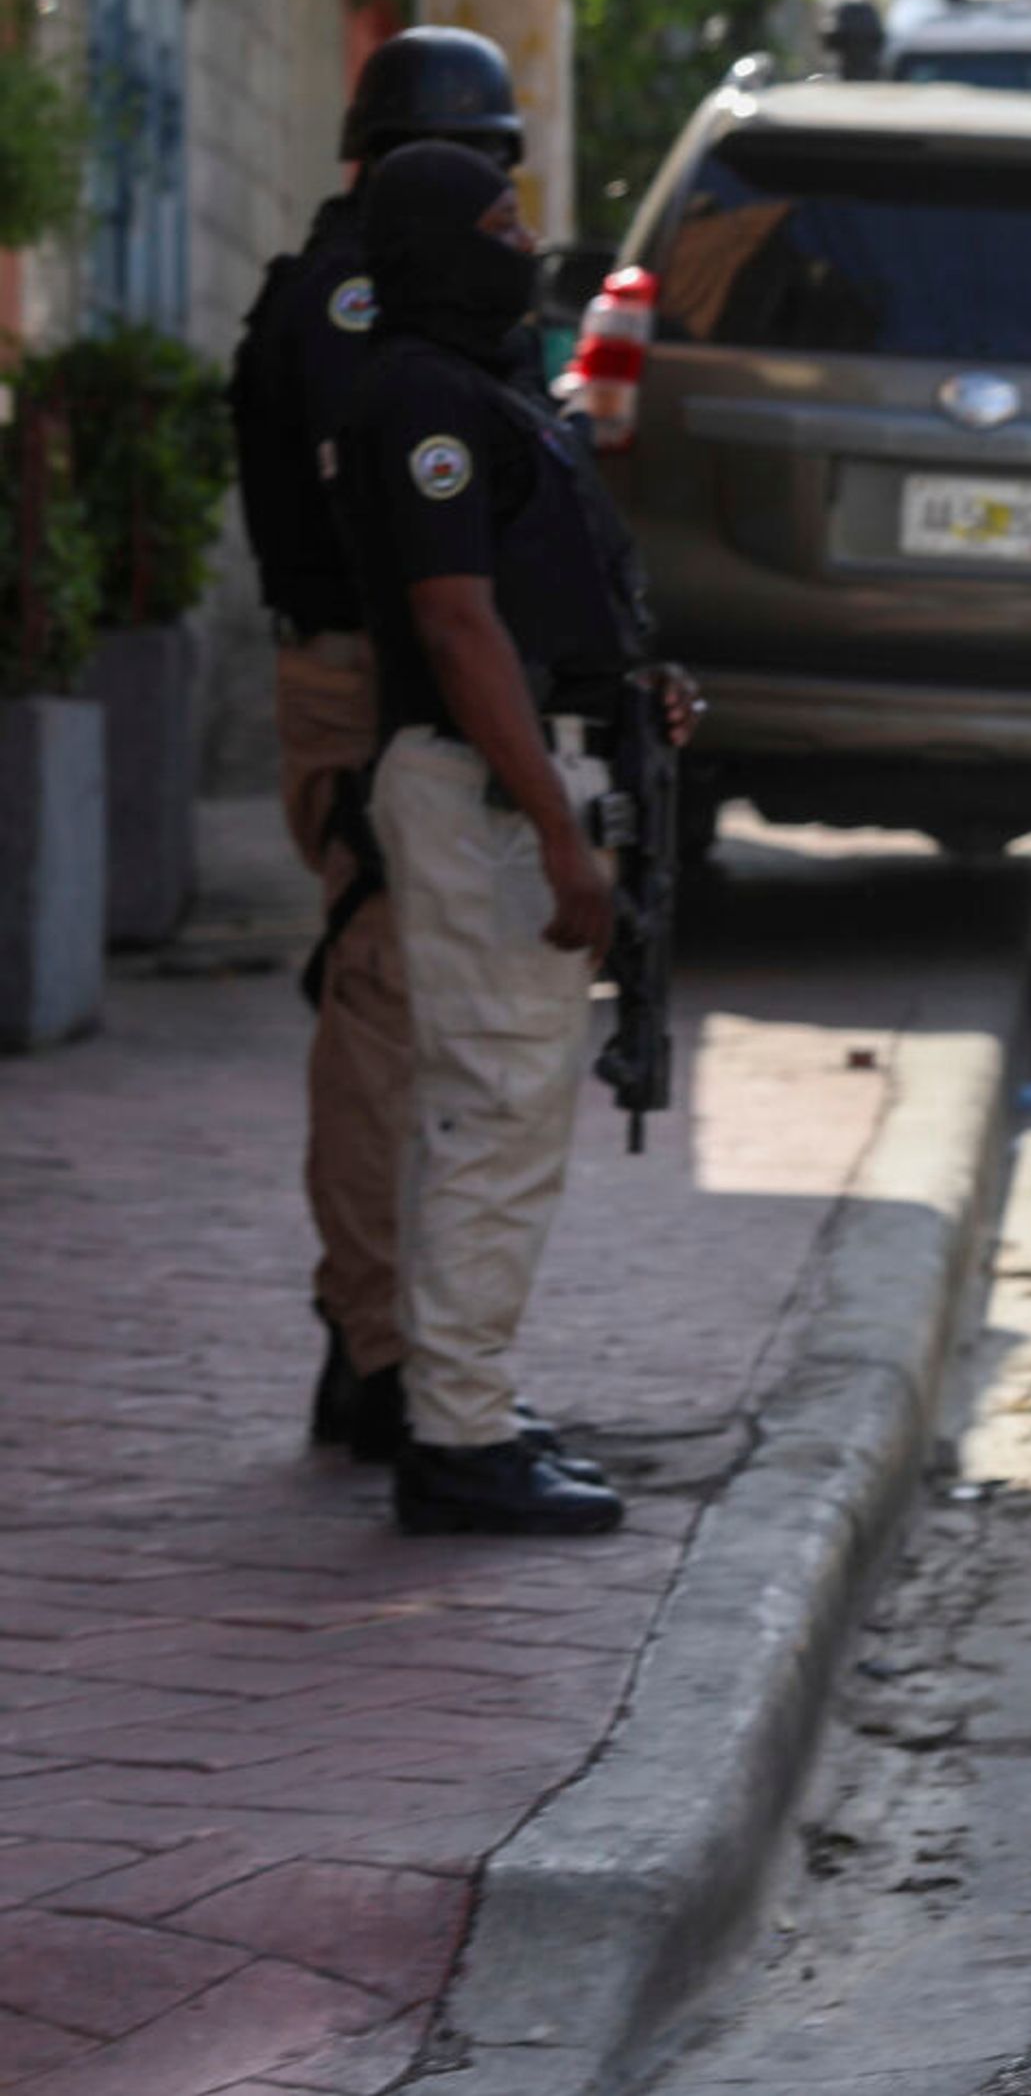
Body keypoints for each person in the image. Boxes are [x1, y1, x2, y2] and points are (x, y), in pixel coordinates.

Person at [332, 140, 692, 1536]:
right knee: (497, 1107)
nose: (525, 238)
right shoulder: (419, 398)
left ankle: (460, 1396)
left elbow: (542, 596)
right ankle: (457, 1439)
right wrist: (556, 827)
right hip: (485, 793)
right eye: (497, 221)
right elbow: (456, 624)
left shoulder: (482, 387)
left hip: (525, 774)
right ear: (433, 244)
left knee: (488, 1106)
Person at [228, 26, 535, 1464]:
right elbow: (404, 513)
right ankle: (374, 1351)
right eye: (486, 180)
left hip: (402, 669)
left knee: (413, 1015)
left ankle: (389, 1340)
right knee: (381, 1010)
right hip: (366, 674)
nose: (504, 220)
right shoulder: (357, 294)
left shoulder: (379, 284)